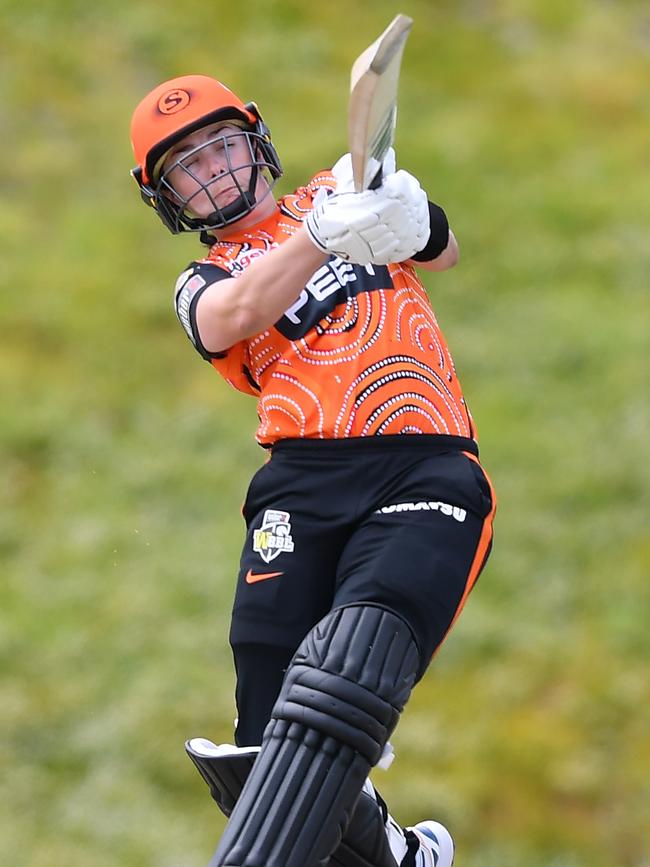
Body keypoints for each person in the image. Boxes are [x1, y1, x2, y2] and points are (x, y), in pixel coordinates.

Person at [130, 73, 496, 867]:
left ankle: (384, 842)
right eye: (188, 165)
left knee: (357, 651)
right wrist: (323, 235)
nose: (215, 169)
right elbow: (233, 316)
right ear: (167, 199)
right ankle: (391, 852)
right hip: (300, 481)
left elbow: (445, 247)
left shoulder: (338, 188)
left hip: (422, 462)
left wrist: (395, 204)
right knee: (264, 741)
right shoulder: (204, 280)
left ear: (256, 143)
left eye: (223, 144)